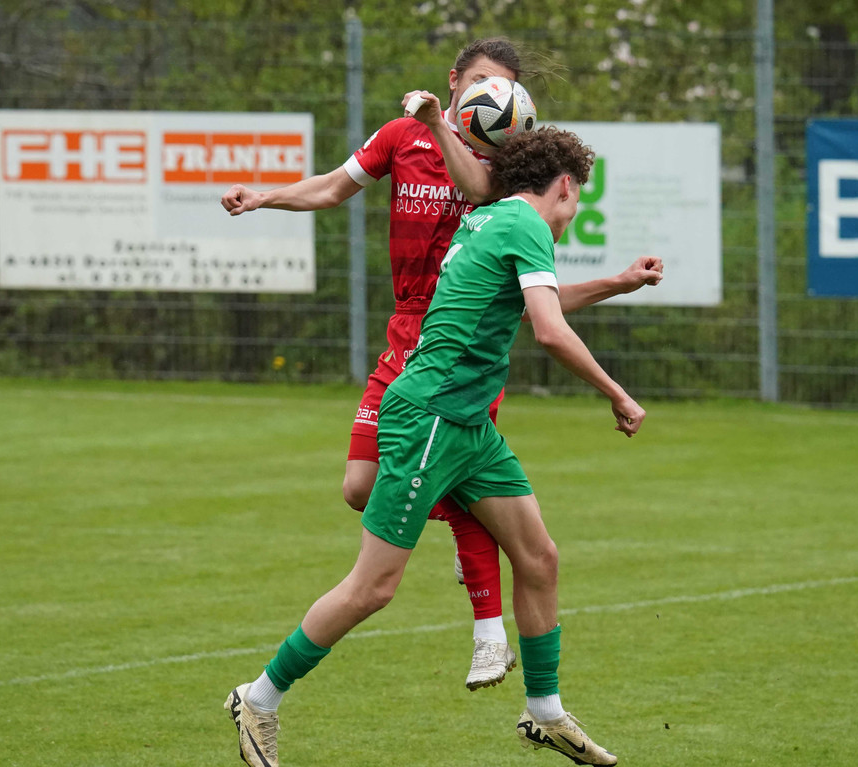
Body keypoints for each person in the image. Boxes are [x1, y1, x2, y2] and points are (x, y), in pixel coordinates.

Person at [221, 37, 663, 692]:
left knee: (500, 537)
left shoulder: (500, 171)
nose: (490, 97)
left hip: (458, 350)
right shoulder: (401, 137)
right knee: (360, 489)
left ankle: (496, 644)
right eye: (480, 82)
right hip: (410, 333)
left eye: (503, 88)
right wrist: (265, 196)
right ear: (455, 81)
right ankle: (464, 533)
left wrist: (615, 283)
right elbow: (334, 187)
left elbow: (483, 201)